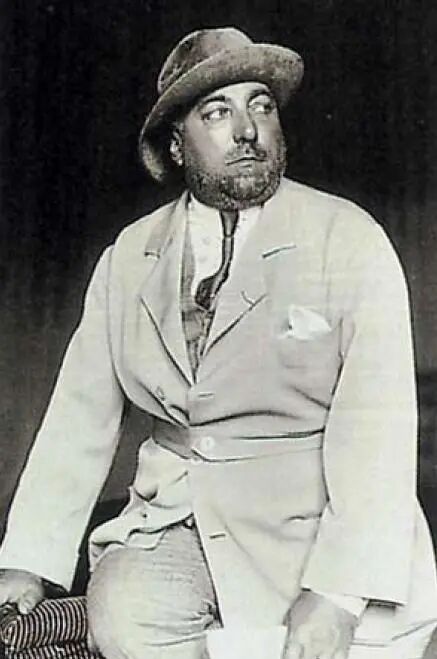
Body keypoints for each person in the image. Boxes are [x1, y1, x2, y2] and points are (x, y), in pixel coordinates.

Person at [0, 26, 436, 659]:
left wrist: (339, 593)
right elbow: (79, 417)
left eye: (261, 106)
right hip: (179, 519)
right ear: (177, 145)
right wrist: (28, 562)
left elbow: (379, 431)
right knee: (121, 618)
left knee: (330, 643)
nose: (247, 130)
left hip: (315, 523)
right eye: (217, 112)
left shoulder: (348, 239)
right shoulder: (128, 257)